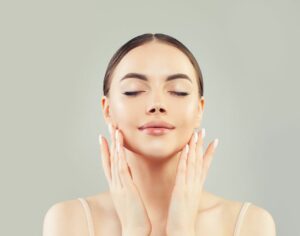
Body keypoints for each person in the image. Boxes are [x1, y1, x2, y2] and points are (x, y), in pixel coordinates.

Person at [43, 33, 276, 236]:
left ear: (199, 110)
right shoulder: (69, 220)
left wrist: (181, 231)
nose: (156, 104)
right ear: (107, 110)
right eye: (133, 91)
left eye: (178, 91)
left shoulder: (249, 224)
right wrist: (134, 230)